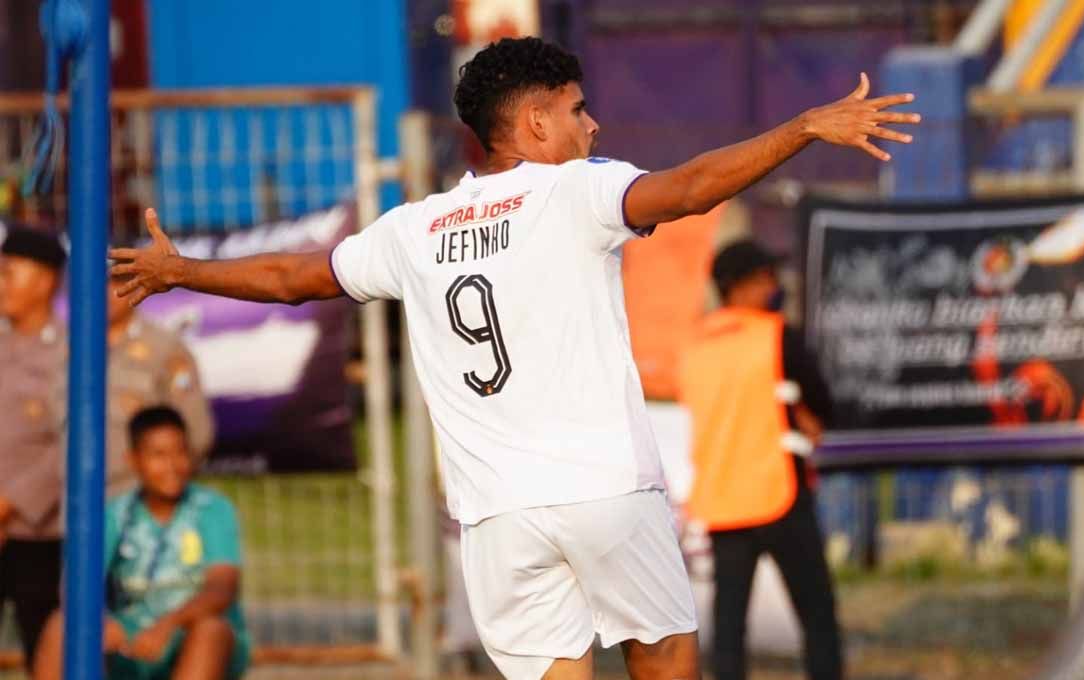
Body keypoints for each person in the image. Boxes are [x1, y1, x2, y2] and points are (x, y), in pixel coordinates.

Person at [110, 36, 918, 680]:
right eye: (576, 110)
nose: (592, 126)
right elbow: (693, 188)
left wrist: (180, 271)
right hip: (604, 487)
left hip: (498, 519)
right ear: (534, 124)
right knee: (666, 662)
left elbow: (294, 278)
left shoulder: (414, 228)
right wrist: (804, 128)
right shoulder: (576, 190)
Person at [677, 240, 843, 680]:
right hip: (779, 493)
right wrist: (806, 416)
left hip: (723, 503)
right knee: (817, 613)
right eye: (766, 277)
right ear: (741, 285)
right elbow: (822, 403)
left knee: (730, 624)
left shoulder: (695, 344)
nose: (774, 286)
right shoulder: (775, 335)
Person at [33, 406, 250, 680]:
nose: (172, 465)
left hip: (186, 633)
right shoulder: (115, 513)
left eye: (180, 452)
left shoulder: (212, 508)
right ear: (133, 460)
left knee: (211, 630)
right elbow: (76, 582)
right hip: (128, 636)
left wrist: (168, 626)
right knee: (61, 625)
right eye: (158, 455)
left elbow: (222, 587)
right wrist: (99, 620)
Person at [0, 224, 67, 671]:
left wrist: (8, 505)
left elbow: (67, 444)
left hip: (35, 531)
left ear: (44, 280)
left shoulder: (69, 351)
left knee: (42, 653)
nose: (0, 283)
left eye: (8, 273)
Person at [107, 277, 215, 495]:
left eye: (116, 282)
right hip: (72, 501)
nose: (106, 292)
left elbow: (196, 429)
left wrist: (167, 487)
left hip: (137, 500)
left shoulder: (165, 350)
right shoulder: (66, 348)